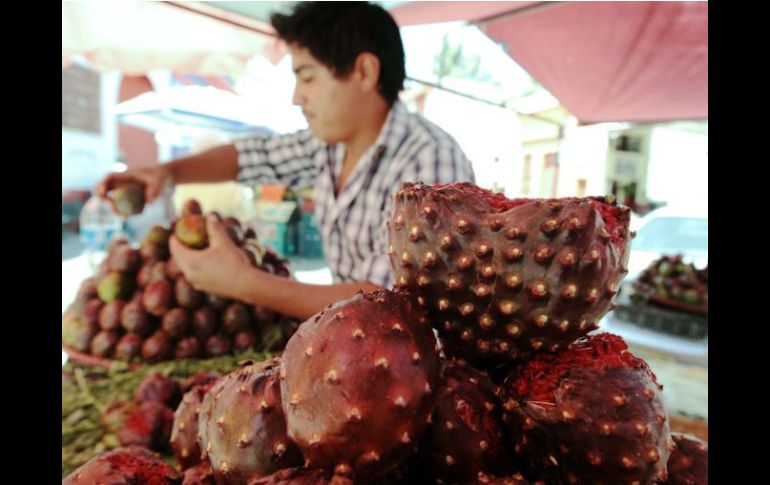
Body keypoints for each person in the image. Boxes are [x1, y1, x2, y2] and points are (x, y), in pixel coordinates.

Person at [97, 1, 475, 321]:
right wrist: (167, 172)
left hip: (419, 375)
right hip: (351, 342)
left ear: (364, 71)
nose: (297, 97)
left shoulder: (431, 161)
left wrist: (245, 282)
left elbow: (397, 304)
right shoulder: (327, 146)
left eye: (307, 78)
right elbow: (249, 156)